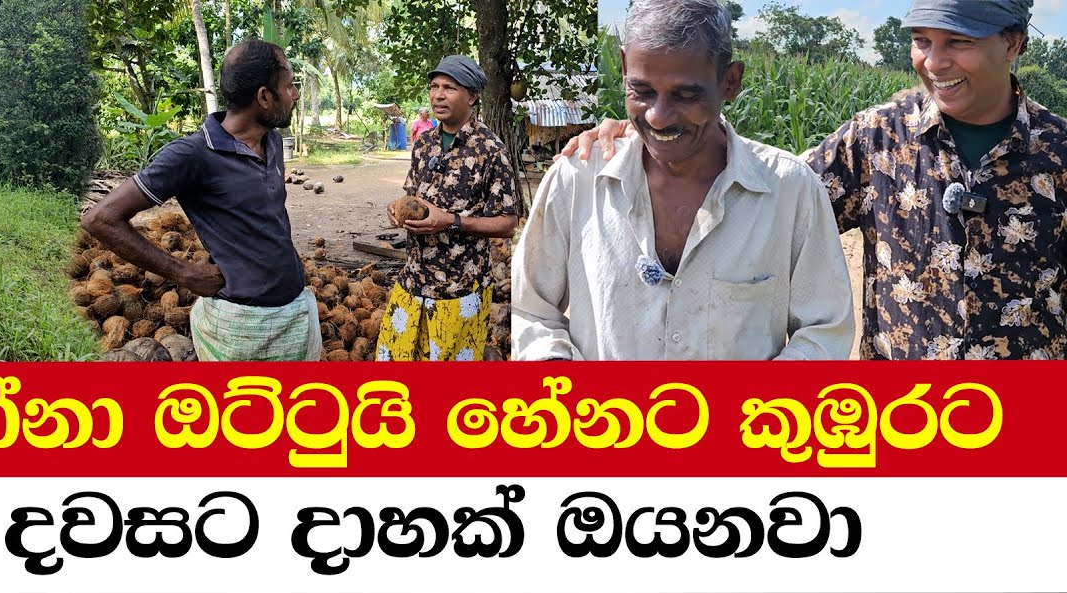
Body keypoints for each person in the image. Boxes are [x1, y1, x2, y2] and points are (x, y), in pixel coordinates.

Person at [562, 0, 1063, 360]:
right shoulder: (879, 137)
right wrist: (653, 132)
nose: (933, 62)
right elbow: (763, 192)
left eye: (958, 41)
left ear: (1013, 43)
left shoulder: (1057, 153)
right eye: (922, 41)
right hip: (903, 421)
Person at [514, 0, 854, 360]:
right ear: (625, 68)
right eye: (642, 91)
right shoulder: (578, 178)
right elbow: (531, 310)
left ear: (730, 81)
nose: (658, 117)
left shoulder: (789, 190)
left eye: (686, 95)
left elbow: (823, 331)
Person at [81, 39, 317, 361]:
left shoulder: (271, 140)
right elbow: (100, 218)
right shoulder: (193, 155)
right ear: (264, 97)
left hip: (296, 314)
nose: (296, 95)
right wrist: (184, 273)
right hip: (241, 328)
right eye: (289, 86)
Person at [379, 55, 519, 361]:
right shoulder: (424, 142)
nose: (438, 95)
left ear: (472, 96)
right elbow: (412, 196)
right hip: (413, 279)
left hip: (459, 289)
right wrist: (397, 210)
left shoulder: (490, 150)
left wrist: (452, 221)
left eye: (449, 88)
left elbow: (508, 222)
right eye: (434, 86)